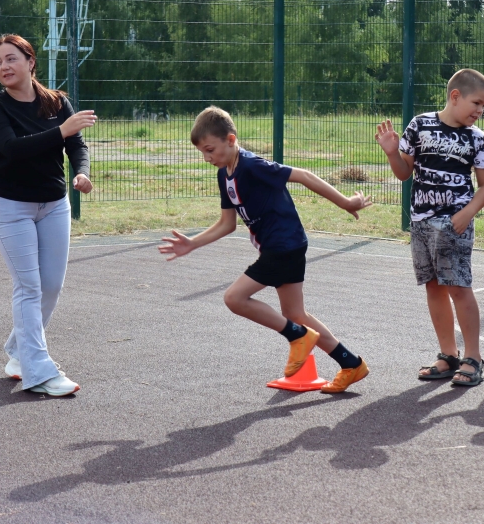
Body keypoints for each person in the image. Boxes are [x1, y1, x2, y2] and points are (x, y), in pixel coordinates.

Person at [158, 106, 371, 393]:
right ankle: (351, 363)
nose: (208, 158)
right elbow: (226, 224)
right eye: (203, 153)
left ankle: (298, 337)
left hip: (283, 246)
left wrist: (346, 202)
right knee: (296, 313)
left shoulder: (251, 165)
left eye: (211, 150)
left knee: (235, 298)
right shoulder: (225, 174)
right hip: (283, 245)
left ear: (231, 140)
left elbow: (304, 175)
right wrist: (193, 243)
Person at [0, 34, 96, 396]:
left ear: (31, 62)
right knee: (28, 287)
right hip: (10, 205)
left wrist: (82, 171)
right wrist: (61, 131)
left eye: (11, 58)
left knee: (51, 286)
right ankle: (39, 372)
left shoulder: (57, 102)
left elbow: (76, 143)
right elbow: (12, 149)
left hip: (53, 204)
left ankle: (18, 352)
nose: (3, 66)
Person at [375, 68, 484, 386]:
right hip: (421, 222)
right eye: (477, 103)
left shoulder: (477, 138)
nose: (480, 111)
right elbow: (404, 173)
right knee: (433, 287)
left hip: (454, 224)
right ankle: (448, 354)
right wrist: (391, 152)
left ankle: (473, 357)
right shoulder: (420, 125)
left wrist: (466, 214)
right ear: (455, 96)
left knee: (459, 288)